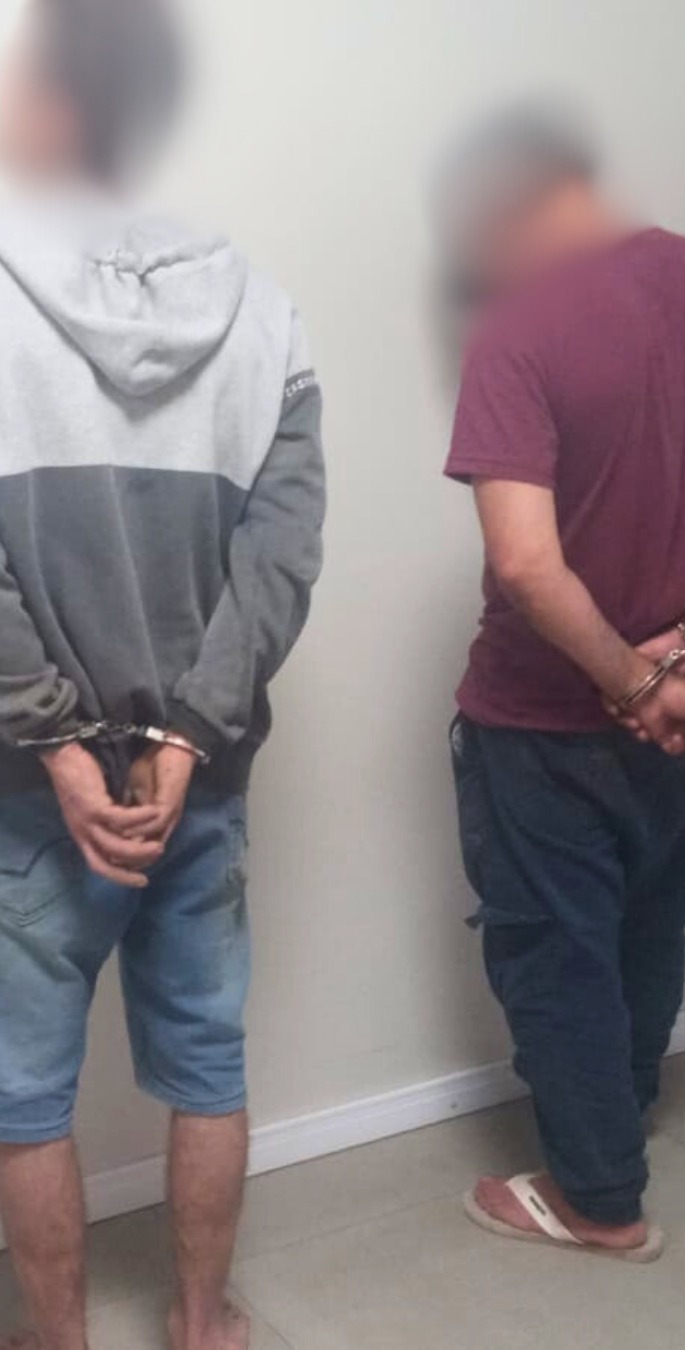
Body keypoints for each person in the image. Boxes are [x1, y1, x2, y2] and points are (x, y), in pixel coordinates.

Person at [438, 106, 685, 1260]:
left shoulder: (518, 324)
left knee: (555, 946)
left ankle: (599, 1199)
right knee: (648, 914)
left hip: (543, 712)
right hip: (682, 703)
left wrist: (629, 679)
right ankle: (623, 1108)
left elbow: (524, 562)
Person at [0, 1, 325, 1347]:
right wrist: (188, 736)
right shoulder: (265, 310)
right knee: (206, 1063)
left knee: (23, 1094)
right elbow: (284, 555)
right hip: (201, 785)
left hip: (27, 795)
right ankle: (200, 1322)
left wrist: (57, 742)